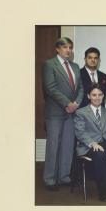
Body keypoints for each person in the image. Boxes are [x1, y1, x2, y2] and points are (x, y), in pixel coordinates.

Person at [42, 37, 83, 191]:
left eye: (70, 47)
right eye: (65, 47)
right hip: (55, 113)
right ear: (57, 49)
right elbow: (50, 88)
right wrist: (67, 103)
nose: (68, 50)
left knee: (67, 146)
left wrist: (76, 104)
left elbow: (80, 89)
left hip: (71, 113)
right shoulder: (49, 64)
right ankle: (50, 179)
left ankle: (64, 177)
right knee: (53, 146)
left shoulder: (75, 66)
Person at [74, 84, 106, 202]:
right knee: (100, 155)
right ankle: (103, 192)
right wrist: (92, 143)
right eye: (94, 95)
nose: (97, 98)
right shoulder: (81, 112)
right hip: (88, 146)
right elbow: (80, 132)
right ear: (89, 96)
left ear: (103, 96)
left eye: (99, 95)